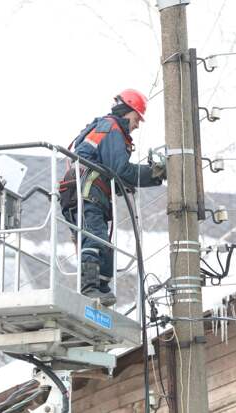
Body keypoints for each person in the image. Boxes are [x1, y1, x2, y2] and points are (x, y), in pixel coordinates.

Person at [59, 89, 166, 306]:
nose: (137, 125)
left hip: (87, 193)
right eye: (137, 118)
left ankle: (102, 289)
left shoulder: (108, 130)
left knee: (102, 243)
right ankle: (90, 287)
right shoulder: (112, 128)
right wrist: (155, 173)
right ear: (127, 112)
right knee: (95, 237)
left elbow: (113, 173)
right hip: (87, 193)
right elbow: (121, 171)